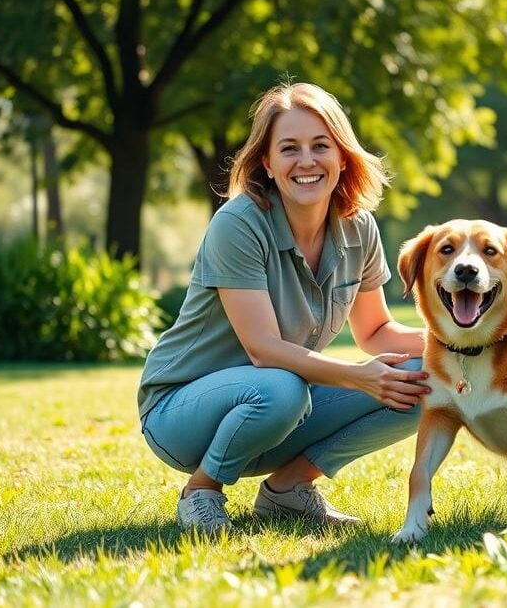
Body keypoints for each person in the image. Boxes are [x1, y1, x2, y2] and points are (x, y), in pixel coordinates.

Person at [138, 83, 430, 532]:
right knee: (283, 388)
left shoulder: (360, 228)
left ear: (343, 157)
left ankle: (288, 491)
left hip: (280, 408)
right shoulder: (238, 224)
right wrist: (358, 376)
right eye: (289, 148)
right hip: (180, 412)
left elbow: (375, 332)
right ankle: (201, 491)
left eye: (320, 146)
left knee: (422, 380)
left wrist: (459, 343)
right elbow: (264, 349)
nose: (306, 161)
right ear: (267, 163)